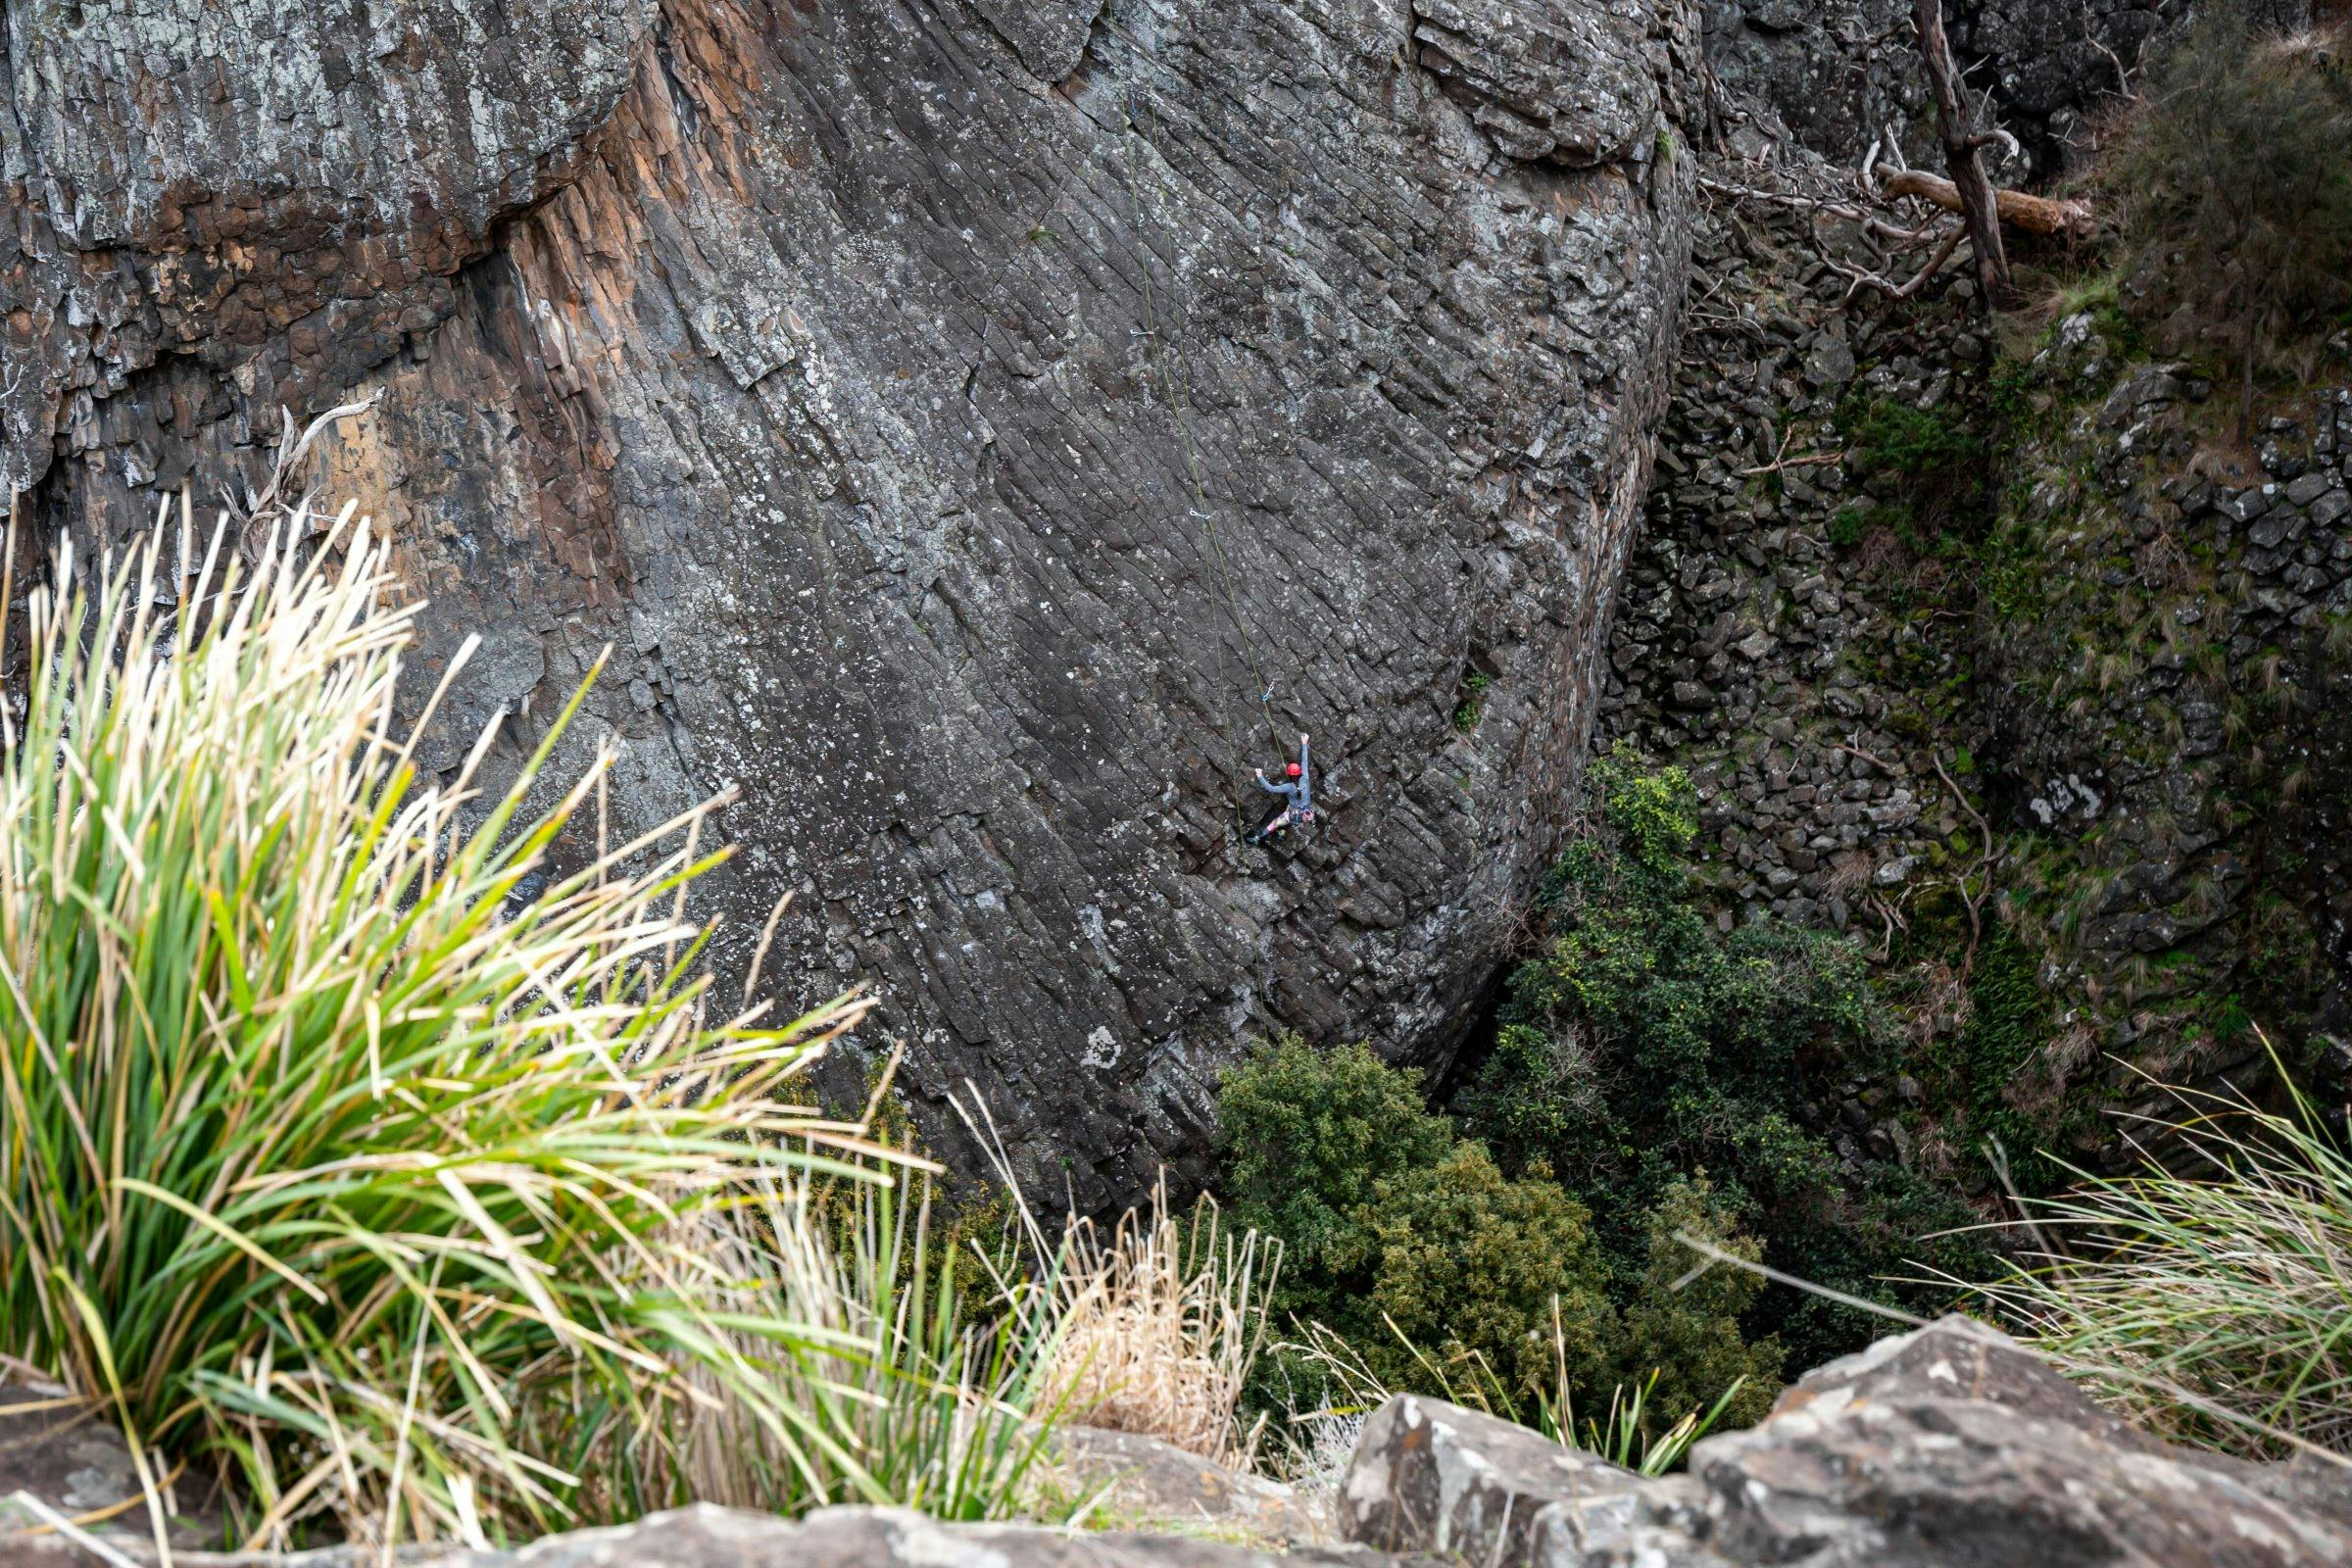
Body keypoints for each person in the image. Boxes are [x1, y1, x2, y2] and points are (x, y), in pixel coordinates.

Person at [1246, 732, 1312, 847]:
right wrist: (1304, 743)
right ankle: (1281, 833)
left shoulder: (1289, 787)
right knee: (1288, 810)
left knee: (1275, 823)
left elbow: (1271, 788)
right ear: (1300, 772)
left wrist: (1260, 776)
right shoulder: (1305, 778)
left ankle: (1258, 838)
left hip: (1293, 815)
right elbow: (1304, 762)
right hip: (1306, 814)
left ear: (1289, 774)